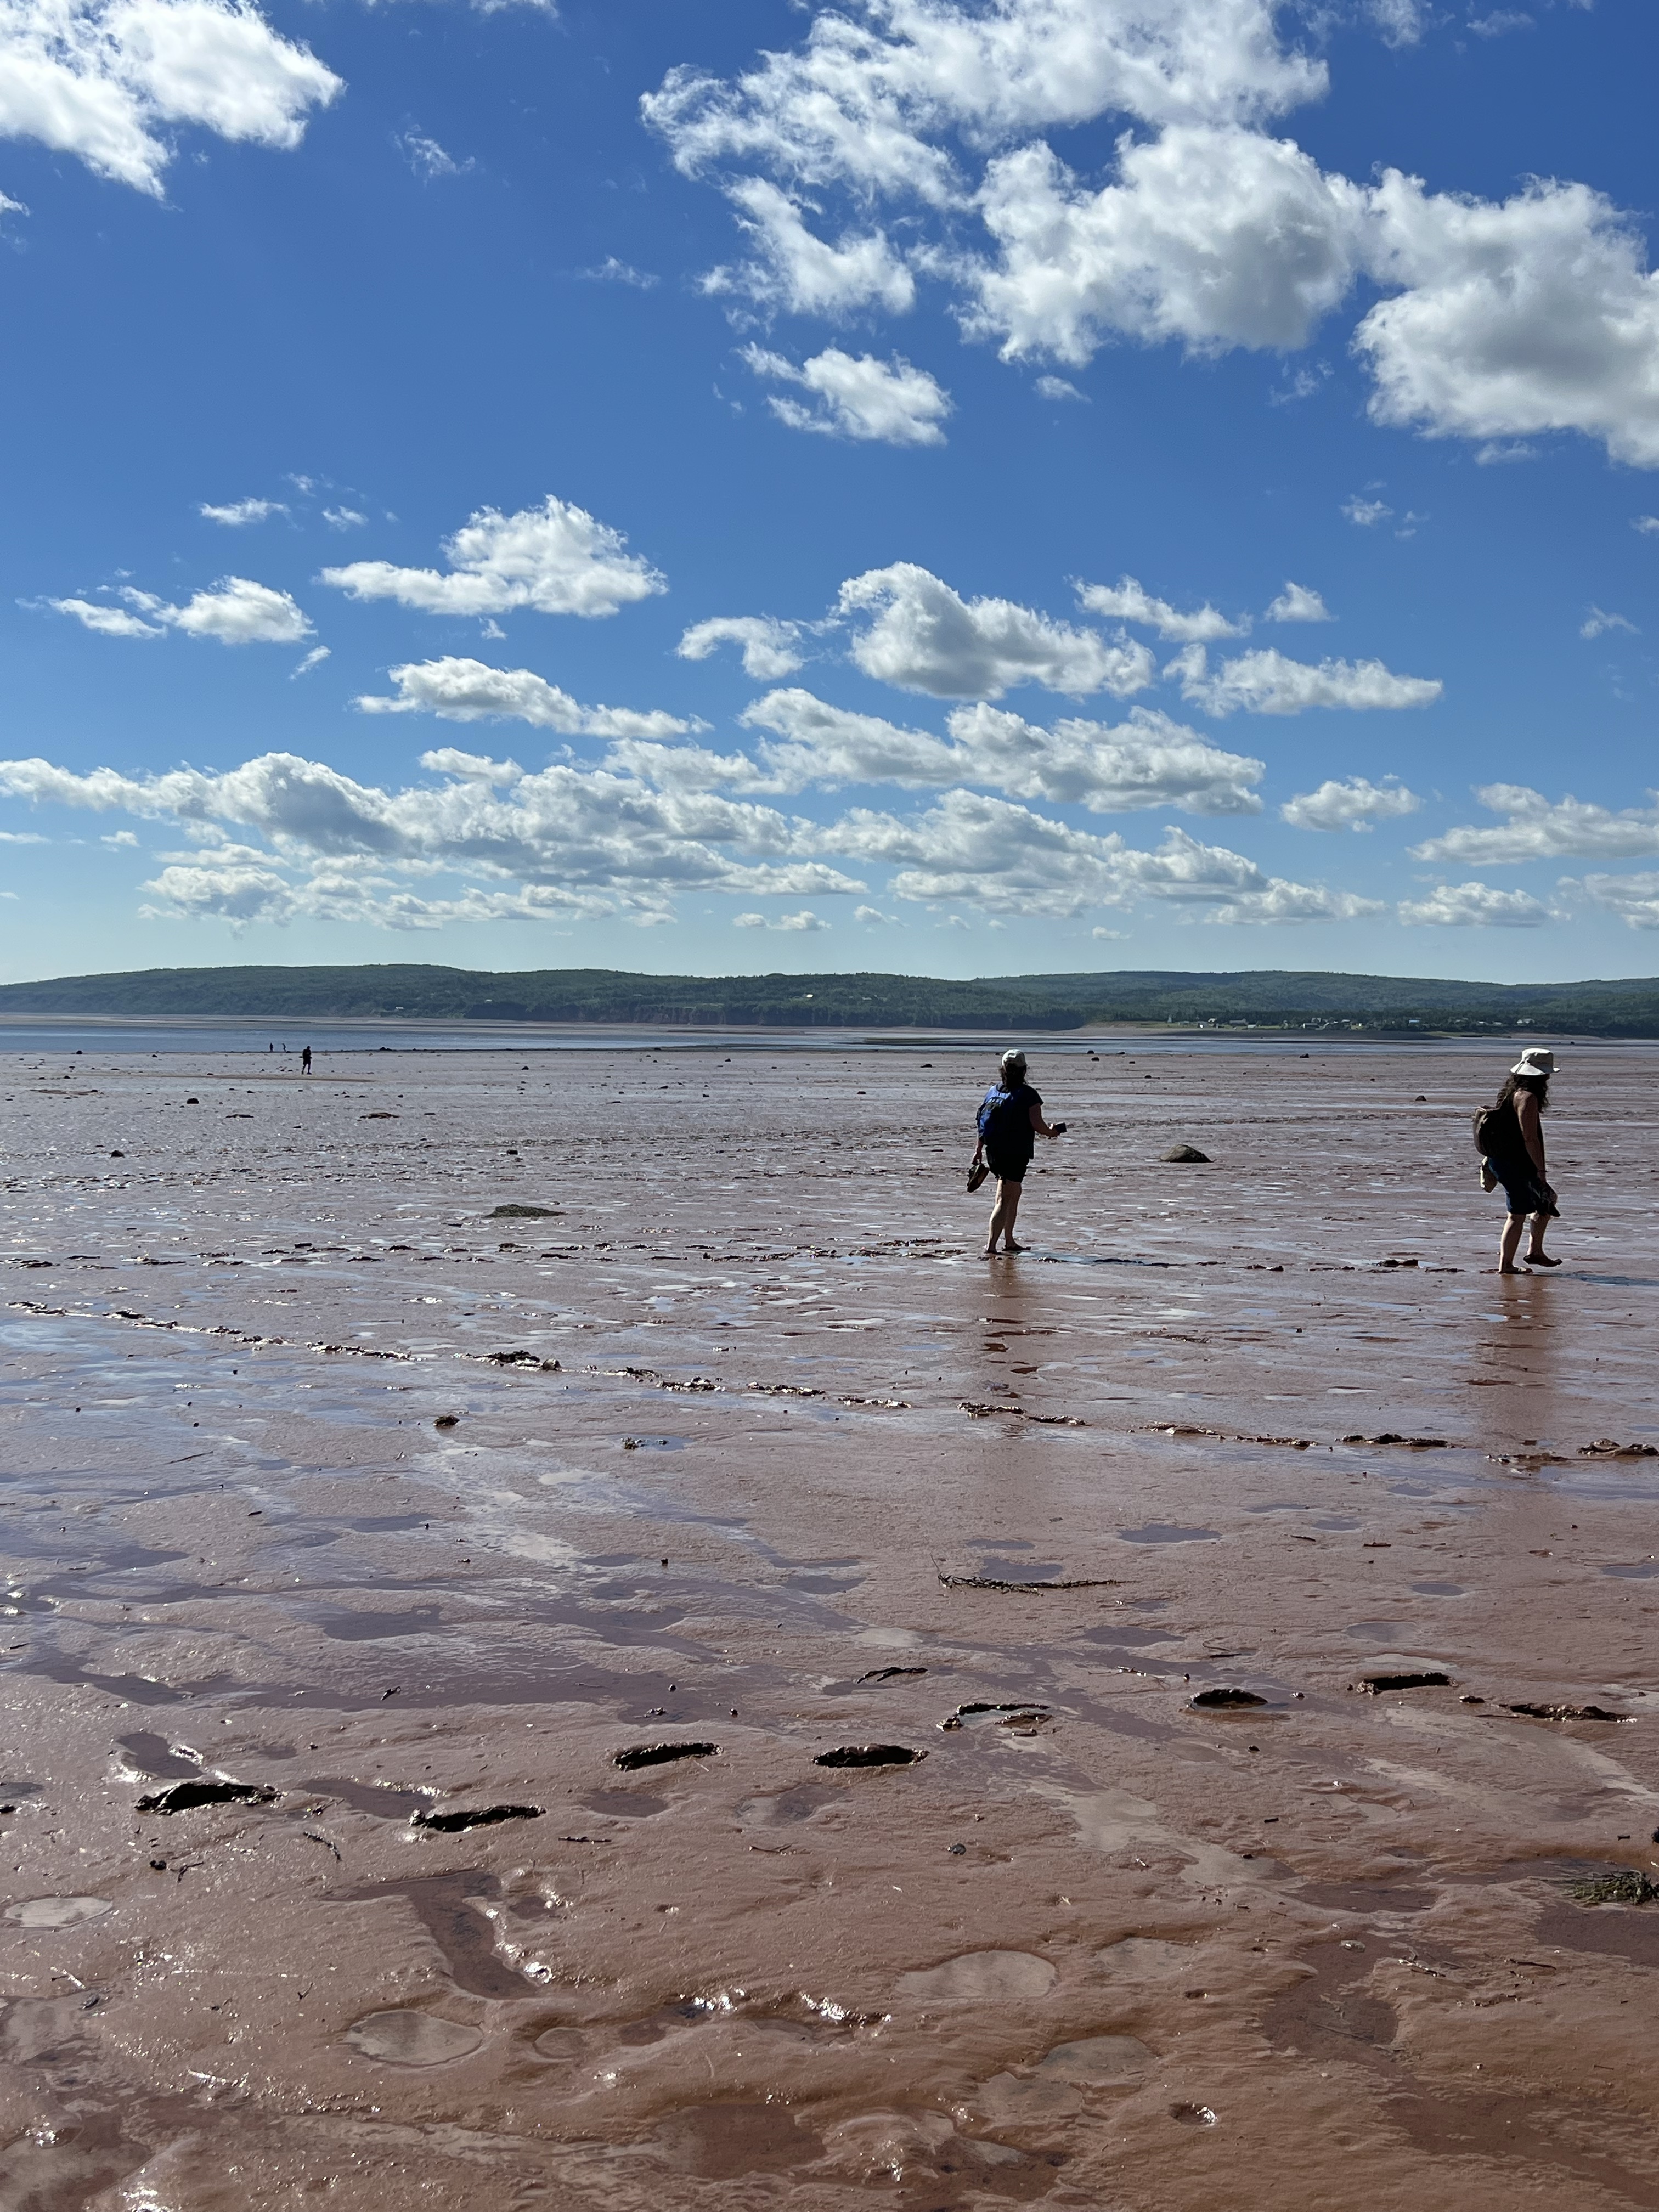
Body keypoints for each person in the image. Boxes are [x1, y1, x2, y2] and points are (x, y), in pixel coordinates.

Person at [973, 1048, 1064, 1256]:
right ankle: (991, 1246)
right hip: (1014, 1153)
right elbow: (1039, 1126)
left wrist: (978, 1150)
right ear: (1024, 1070)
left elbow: (982, 1123)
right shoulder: (1028, 1095)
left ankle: (1010, 1241)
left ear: (1003, 1070)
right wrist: (1052, 1132)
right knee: (1005, 1199)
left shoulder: (993, 1091)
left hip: (994, 1152)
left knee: (1012, 1194)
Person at [1480, 1047, 1560, 1273]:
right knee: (1517, 1215)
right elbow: (1530, 1138)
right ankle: (1507, 1265)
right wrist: (1541, 1171)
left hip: (1503, 1160)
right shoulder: (1528, 1098)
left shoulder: (1510, 1093)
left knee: (1547, 1201)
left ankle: (1535, 1251)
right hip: (1514, 1163)